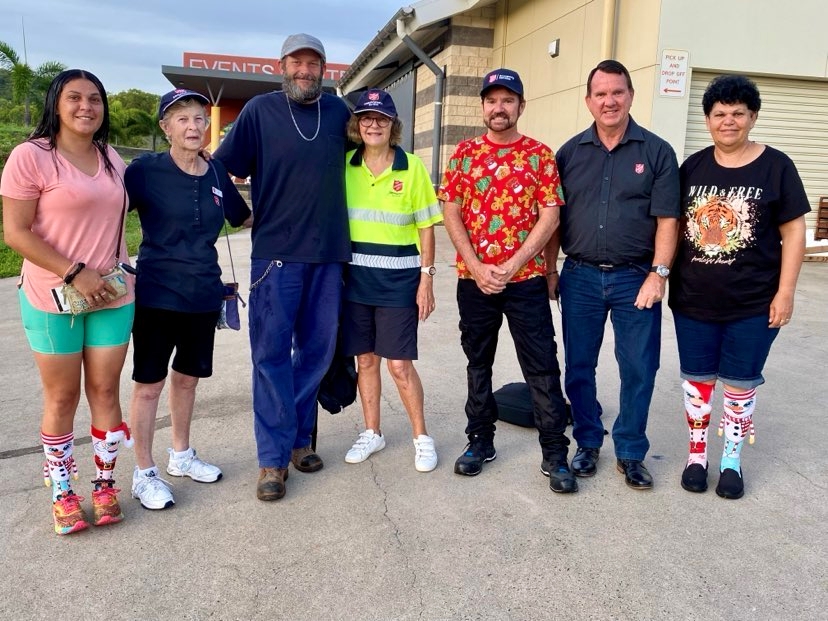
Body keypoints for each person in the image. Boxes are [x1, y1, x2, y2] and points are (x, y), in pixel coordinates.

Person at [214, 33, 351, 501]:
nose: (304, 70)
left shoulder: (339, 113)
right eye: (296, 62)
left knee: (316, 353)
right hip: (275, 256)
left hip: (330, 255)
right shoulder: (258, 111)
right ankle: (272, 460)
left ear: (324, 70)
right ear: (282, 66)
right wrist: (239, 214)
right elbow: (219, 168)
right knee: (270, 357)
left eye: (313, 63)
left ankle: (297, 440)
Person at [1, 69, 136, 534]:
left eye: (95, 99)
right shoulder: (31, 157)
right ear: (56, 104)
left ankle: (104, 484)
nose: (86, 107)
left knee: (104, 391)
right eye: (75, 98)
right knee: (62, 395)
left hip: (111, 297)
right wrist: (74, 272)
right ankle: (62, 490)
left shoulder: (111, 157)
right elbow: (15, 233)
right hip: (50, 295)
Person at [669, 75, 809, 499]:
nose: (727, 122)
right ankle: (697, 454)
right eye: (719, 114)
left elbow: (795, 232)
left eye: (737, 114)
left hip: (753, 303)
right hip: (693, 300)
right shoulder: (692, 167)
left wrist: (785, 292)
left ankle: (731, 458)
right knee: (698, 383)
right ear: (708, 119)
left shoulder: (776, 165)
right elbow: (673, 230)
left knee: (740, 383)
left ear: (752, 117)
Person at [438, 68, 577, 493]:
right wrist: (477, 266)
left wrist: (513, 265)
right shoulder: (463, 154)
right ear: (483, 106)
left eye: (508, 100)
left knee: (541, 365)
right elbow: (451, 210)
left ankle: (555, 453)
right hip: (474, 280)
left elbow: (550, 215)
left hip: (527, 281)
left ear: (520, 106)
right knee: (478, 362)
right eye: (492, 100)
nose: (499, 108)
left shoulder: (539, 155)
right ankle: (479, 441)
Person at [548, 59, 680, 490]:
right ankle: (587, 441)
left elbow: (667, 221)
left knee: (639, 366)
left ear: (630, 97)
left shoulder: (657, 152)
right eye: (600, 93)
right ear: (588, 101)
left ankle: (630, 450)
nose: (609, 101)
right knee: (579, 366)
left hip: (635, 278)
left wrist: (658, 274)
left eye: (617, 92)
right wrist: (550, 268)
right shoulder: (568, 154)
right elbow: (553, 218)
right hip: (580, 277)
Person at [125, 89, 251, 510]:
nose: (193, 127)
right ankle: (144, 473)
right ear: (165, 128)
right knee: (149, 385)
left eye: (199, 119)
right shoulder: (144, 171)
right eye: (182, 120)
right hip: (158, 294)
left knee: (187, 379)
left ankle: (181, 455)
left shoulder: (215, 173)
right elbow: (106, 213)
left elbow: (243, 217)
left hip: (203, 294)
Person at [340, 89, 443, 472]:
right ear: (357, 124)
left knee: (398, 365)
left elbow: (427, 227)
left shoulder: (412, 167)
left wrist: (426, 278)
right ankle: (373, 432)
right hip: (355, 282)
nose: (373, 124)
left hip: (399, 282)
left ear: (392, 125)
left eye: (381, 118)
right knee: (366, 360)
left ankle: (421, 436)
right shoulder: (346, 166)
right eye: (366, 118)